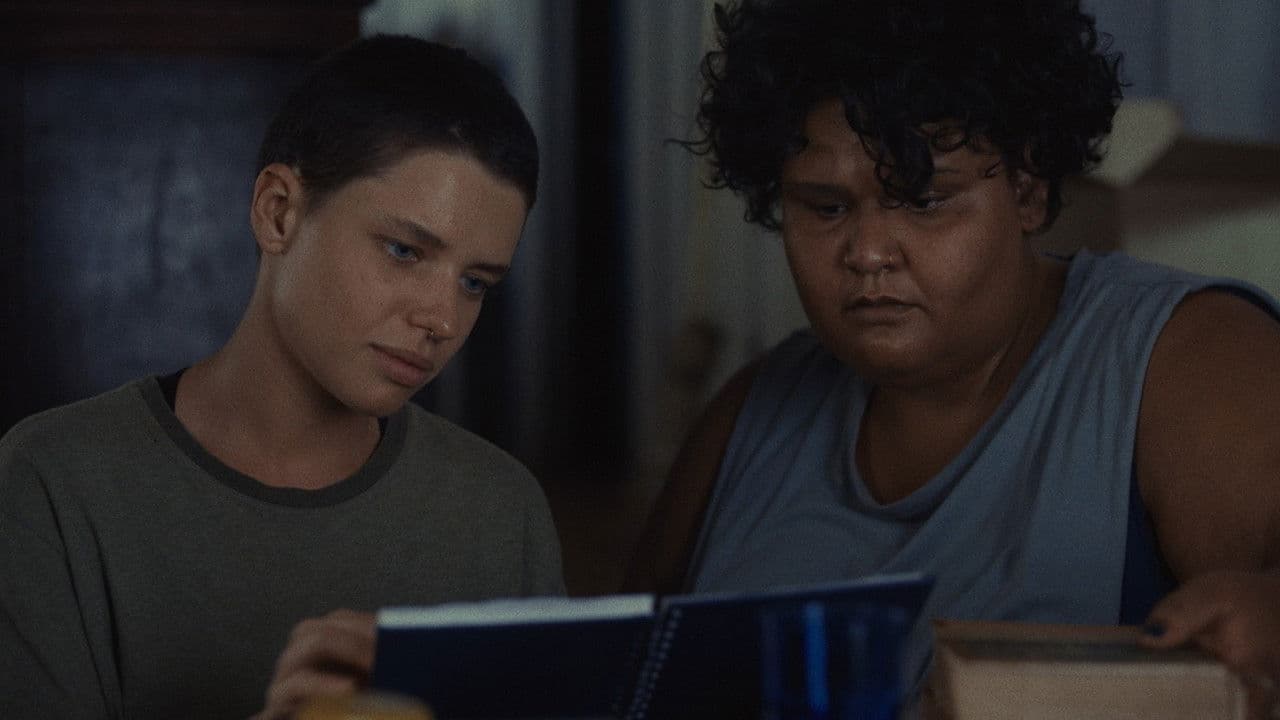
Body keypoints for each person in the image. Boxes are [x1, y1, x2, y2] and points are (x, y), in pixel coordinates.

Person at [622, 1, 1280, 717]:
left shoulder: (1186, 359)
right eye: (826, 208)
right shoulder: (752, 411)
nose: (868, 253)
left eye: (923, 200)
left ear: (1027, 192)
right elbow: (616, 681)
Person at [0, 35, 564, 720]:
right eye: (404, 250)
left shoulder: (501, 513)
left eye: (475, 283)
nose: (442, 318)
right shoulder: (54, 483)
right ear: (278, 211)